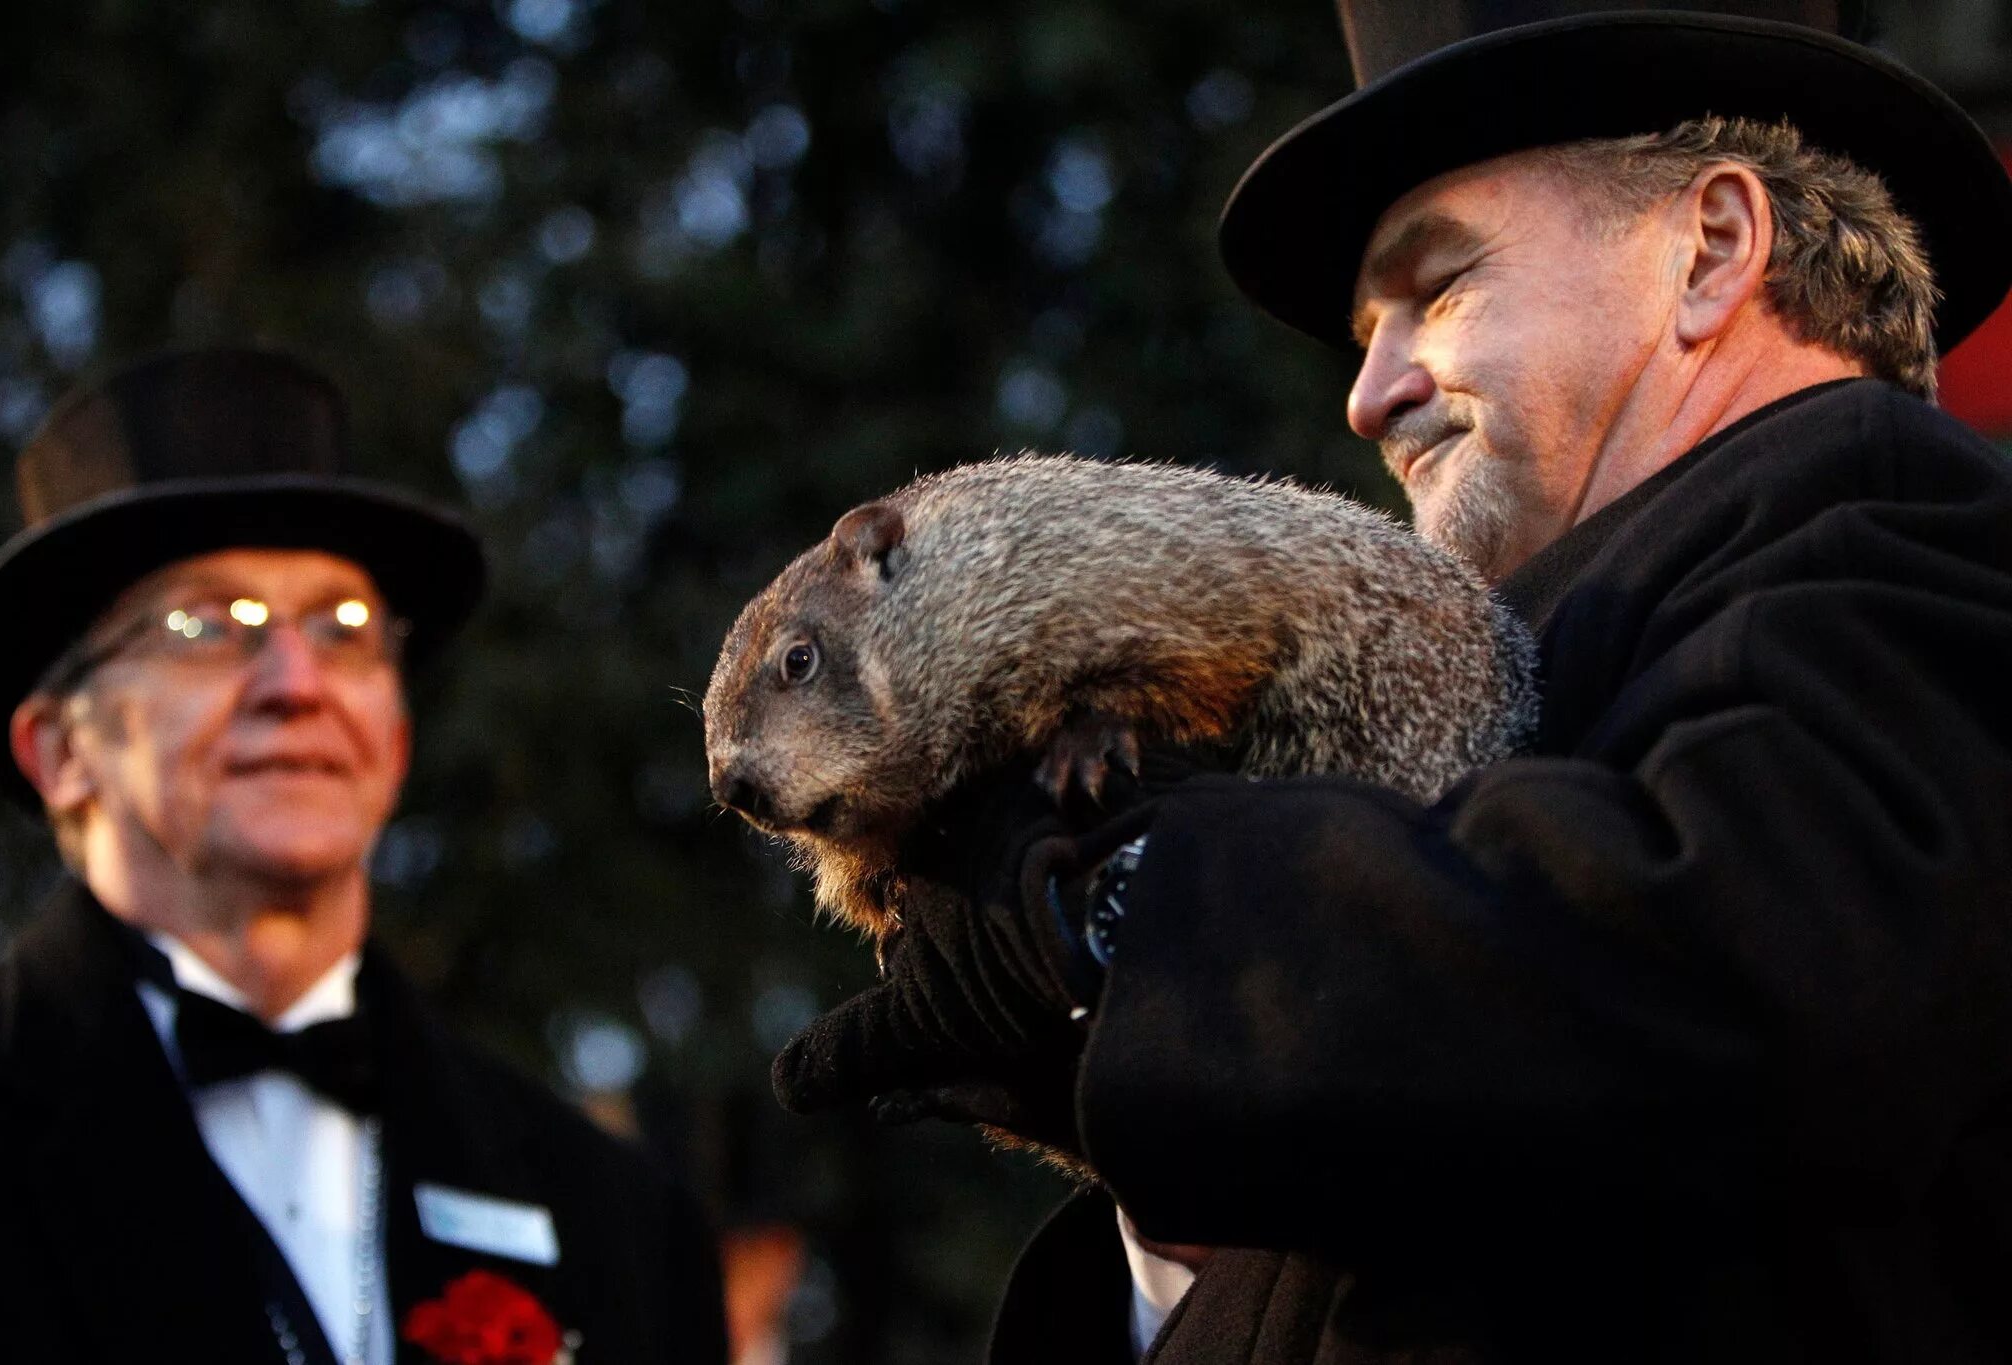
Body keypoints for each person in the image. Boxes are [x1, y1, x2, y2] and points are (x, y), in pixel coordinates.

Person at [768, 6, 2012, 1362]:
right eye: (1366, 332)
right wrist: (1119, 1078)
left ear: (1710, 249)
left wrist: (1128, 909)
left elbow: (1749, 987)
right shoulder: (1495, 664)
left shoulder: (1904, 527)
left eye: (1441, 286)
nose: (1366, 396)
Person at [0, 349, 728, 1365]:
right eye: (204, 622)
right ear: (61, 752)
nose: (295, 681)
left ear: (393, 737)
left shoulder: (615, 1216)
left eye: (344, 627)